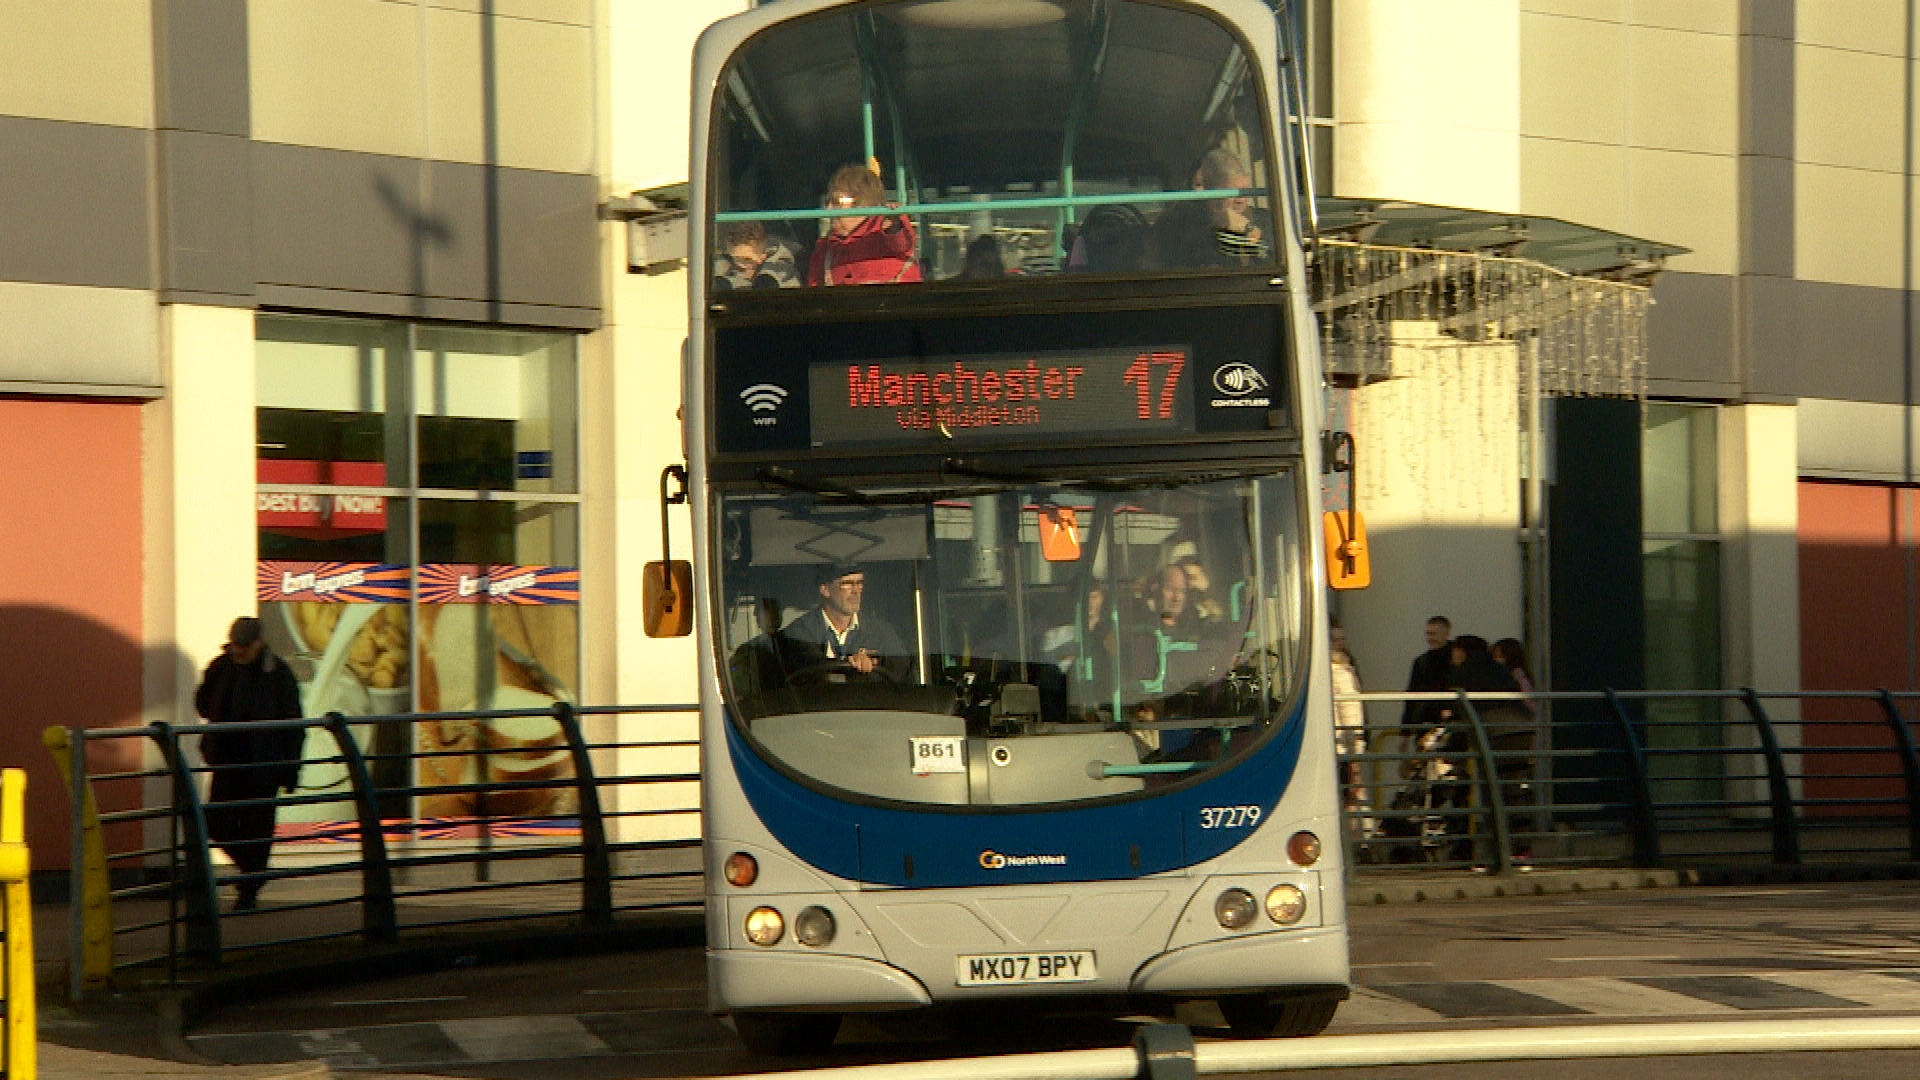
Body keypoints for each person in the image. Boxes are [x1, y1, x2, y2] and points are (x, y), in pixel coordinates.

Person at [194, 616, 305, 911]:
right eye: (234, 645)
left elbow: (293, 725)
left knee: (257, 830)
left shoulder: (279, 674)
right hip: (227, 762)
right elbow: (203, 703)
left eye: (243, 646)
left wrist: (290, 769)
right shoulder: (221, 667)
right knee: (214, 822)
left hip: (263, 768)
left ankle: (249, 890)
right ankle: (252, 872)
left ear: (258, 643)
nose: (238, 651)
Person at [779, 563, 909, 680]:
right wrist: (851, 663)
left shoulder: (881, 631)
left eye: (859, 583)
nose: (856, 591)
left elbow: (902, 670)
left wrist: (873, 664)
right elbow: (809, 667)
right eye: (847, 584)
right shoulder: (800, 631)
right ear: (825, 589)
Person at [1146, 147, 1268, 270]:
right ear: (1210, 190)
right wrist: (1206, 231)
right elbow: (1152, 267)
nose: (1241, 200)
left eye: (1245, 190)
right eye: (1231, 192)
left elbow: (1277, 266)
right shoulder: (1176, 224)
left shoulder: (1266, 221)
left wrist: (1250, 232)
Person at [806, 162, 923, 287]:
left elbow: (902, 242)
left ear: (864, 204)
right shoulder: (824, 249)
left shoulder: (886, 234)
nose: (828, 209)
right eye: (827, 201)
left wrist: (895, 221)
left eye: (836, 202)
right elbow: (814, 292)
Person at [1329, 626, 1370, 833]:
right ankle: (1358, 840)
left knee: (1346, 795)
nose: (1340, 643)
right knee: (1350, 795)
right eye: (1335, 639)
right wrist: (1356, 744)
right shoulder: (1340, 672)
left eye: (1342, 639)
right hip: (1343, 745)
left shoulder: (1338, 670)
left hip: (1340, 744)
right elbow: (1350, 710)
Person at [1401, 616, 1453, 735]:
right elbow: (1411, 696)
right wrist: (1405, 731)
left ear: (1447, 634)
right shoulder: (1421, 662)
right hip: (1425, 721)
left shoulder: (1455, 660)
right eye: (1428, 634)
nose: (1430, 638)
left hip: (1446, 723)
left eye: (1434, 634)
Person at [712, 221, 800, 290]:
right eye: (735, 258)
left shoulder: (782, 271)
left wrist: (767, 281)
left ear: (763, 256)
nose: (740, 264)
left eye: (747, 259)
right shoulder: (721, 269)